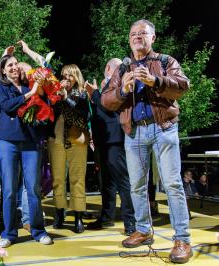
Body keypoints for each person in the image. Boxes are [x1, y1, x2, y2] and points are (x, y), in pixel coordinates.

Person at [101, 19, 192, 263]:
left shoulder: (165, 62)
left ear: (153, 38)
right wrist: (122, 91)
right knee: (137, 186)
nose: (137, 36)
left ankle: (182, 239)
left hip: (164, 129)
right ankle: (143, 230)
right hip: (135, 133)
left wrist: (156, 81)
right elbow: (106, 100)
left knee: (172, 184)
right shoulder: (122, 69)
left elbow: (183, 85)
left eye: (143, 33)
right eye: (133, 34)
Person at [0, 50, 53, 248]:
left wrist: (39, 87)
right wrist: (30, 93)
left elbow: (47, 77)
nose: (14, 66)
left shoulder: (31, 82)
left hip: (31, 141)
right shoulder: (1, 86)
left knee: (34, 188)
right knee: (9, 189)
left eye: (16, 63)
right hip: (7, 141)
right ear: (3, 71)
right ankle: (9, 233)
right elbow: (8, 106)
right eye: (9, 64)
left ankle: (38, 230)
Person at [85, 58, 136, 236]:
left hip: (115, 139)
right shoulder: (106, 86)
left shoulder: (122, 84)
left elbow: (110, 107)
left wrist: (95, 94)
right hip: (101, 140)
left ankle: (131, 222)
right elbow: (99, 111)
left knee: (123, 181)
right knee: (106, 182)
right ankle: (106, 217)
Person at [48, 64, 90, 233]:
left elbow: (83, 116)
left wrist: (66, 98)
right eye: (63, 76)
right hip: (56, 139)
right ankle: (59, 213)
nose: (66, 79)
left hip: (77, 140)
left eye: (69, 76)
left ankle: (78, 216)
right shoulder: (55, 93)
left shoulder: (82, 94)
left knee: (77, 178)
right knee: (58, 179)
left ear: (76, 76)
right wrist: (56, 98)